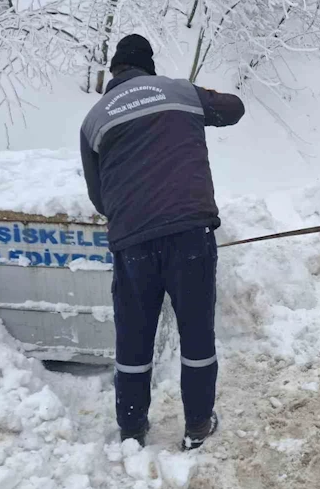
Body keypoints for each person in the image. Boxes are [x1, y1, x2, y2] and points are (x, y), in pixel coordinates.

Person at [79, 34, 245, 450]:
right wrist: (201, 97)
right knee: (196, 334)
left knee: (134, 337)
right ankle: (197, 426)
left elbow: (99, 198)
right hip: (190, 234)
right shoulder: (179, 91)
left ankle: (133, 429)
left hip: (133, 244)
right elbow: (234, 108)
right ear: (147, 67)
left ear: (115, 72)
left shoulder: (94, 120)